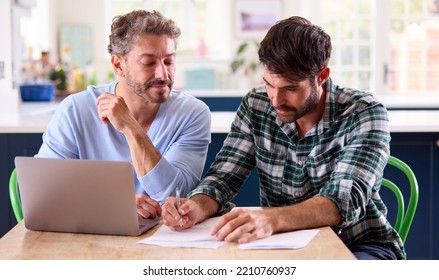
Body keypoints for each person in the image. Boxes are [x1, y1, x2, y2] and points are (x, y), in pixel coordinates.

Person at [161, 16, 404, 260]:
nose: (276, 101)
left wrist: (271, 219)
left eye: (290, 88)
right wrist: (195, 206)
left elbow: (343, 201)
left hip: (359, 245)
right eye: (269, 84)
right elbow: (223, 178)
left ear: (322, 76)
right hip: (281, 246)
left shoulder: (364, 112)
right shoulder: (257, 104)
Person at [36, 10, 211, 220]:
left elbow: (174, 195)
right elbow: (44, 193)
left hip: (161, 239)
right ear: (119, 65)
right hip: (88, 235)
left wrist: (130, 128)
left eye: (169, 62)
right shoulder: (75, 110)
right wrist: (115, 205)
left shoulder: (192, 113)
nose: (163, 74)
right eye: (149, 63)